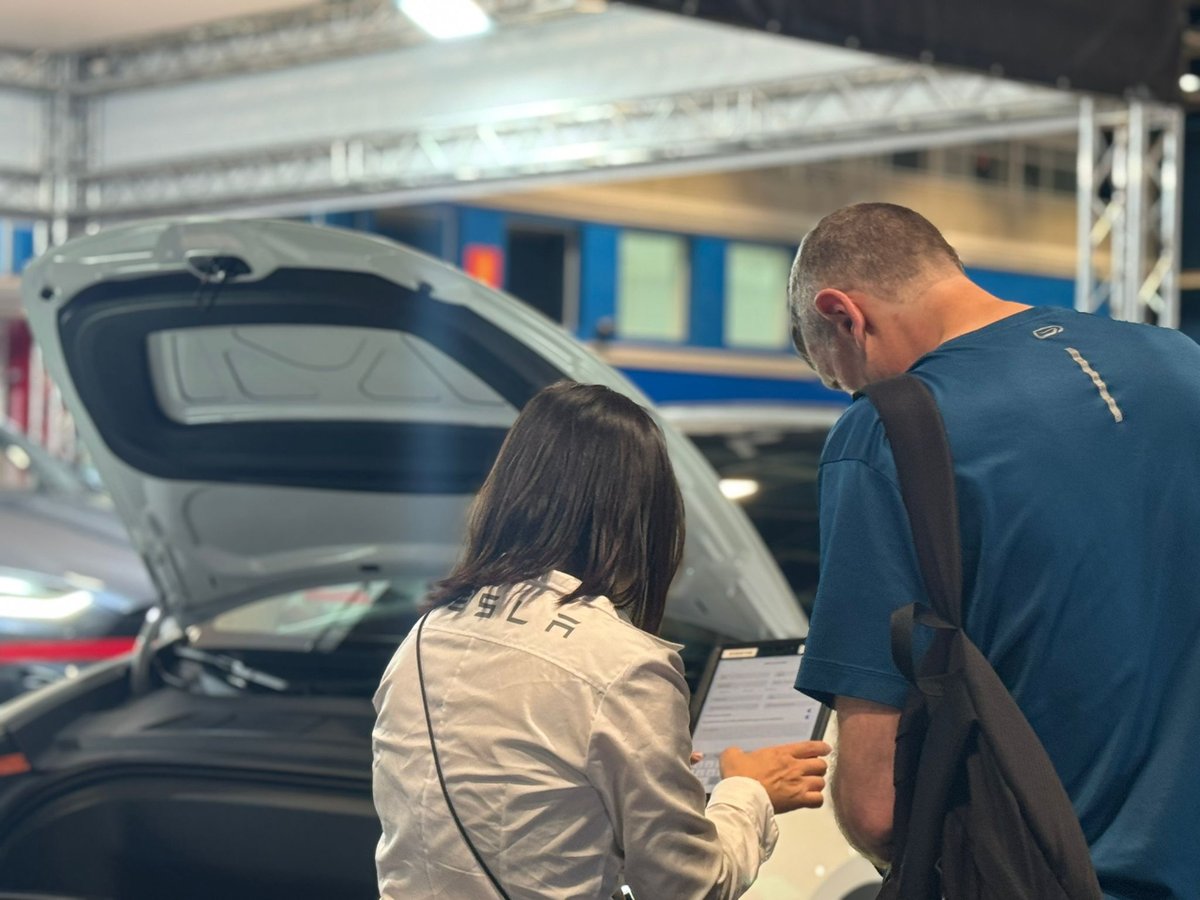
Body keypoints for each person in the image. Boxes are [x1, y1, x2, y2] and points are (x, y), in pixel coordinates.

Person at [787, 202, 1200, 899]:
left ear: (843, 316)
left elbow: (875, 807)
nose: (852, 395)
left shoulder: (892, 430)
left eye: (840, 378)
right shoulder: (1181, 362)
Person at [373, 380, 831, 900]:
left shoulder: (426, 635)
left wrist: (639, 780)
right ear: (641, 515)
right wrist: (747, 792)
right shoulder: (623, 666)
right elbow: (689, 886)